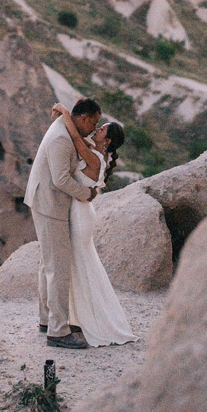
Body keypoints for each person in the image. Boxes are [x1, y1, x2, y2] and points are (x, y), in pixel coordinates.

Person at [52, 103, 137, 348]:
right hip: (82, 210)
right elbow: (83, 139)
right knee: (83, 264)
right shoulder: (98, 152)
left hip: (80, 214)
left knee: (81, 264)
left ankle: (90, 319)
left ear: (108, 141)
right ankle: (81, 316)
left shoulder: (95, 156)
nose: (97, 130)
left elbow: (76, 137)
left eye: (102, 130)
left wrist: (64, 111)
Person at [24, 97, 101, 350]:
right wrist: (86, 194)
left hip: (44, 201)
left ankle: (47, 320)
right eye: (94, 123)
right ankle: (58, 331)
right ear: (85, 118)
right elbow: (61, 180)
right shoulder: (61, 138)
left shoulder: (64, 128)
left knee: (48, 263)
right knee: (58, 266)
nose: (93, 129)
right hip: (49, 204)